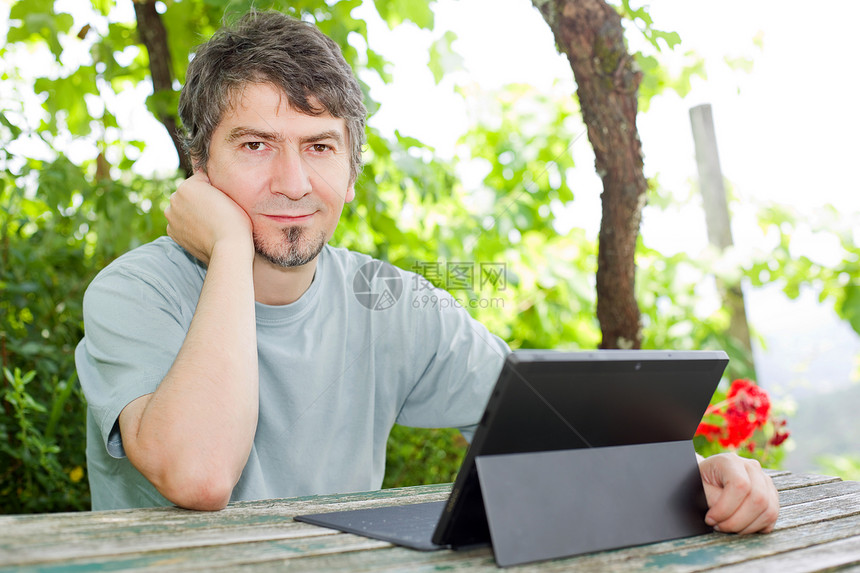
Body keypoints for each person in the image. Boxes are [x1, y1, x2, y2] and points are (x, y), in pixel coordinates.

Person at [75, 10, 778, 534]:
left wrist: (703, 474)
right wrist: (229, 247)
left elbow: (549, 431)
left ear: (351, 173)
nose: (292, 181)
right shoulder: (134, 294)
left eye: (319, 146)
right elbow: (199, 475)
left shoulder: (388, 301)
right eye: (256, 144)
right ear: (200, 166)